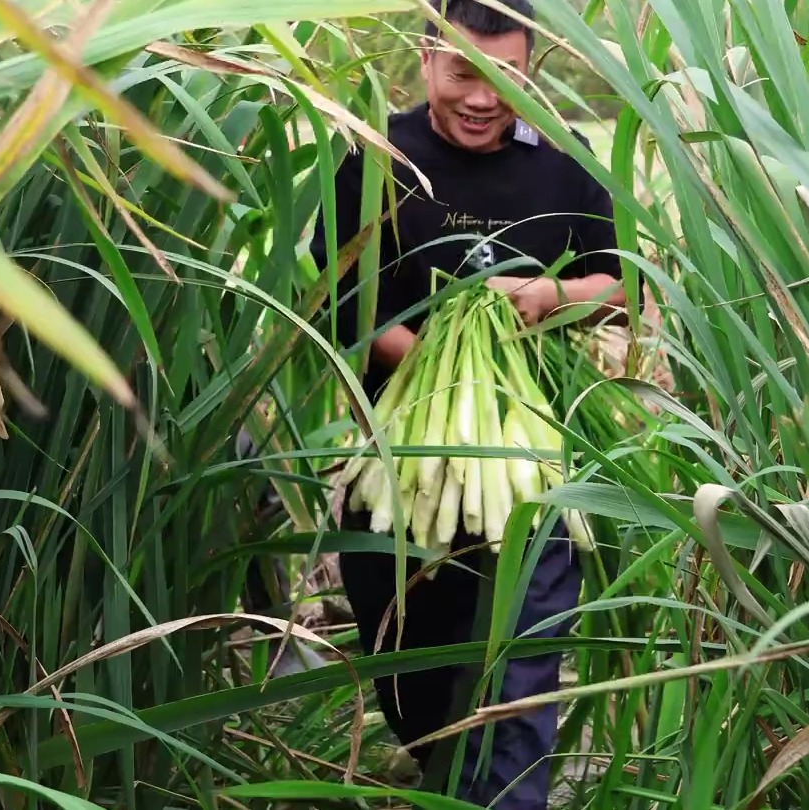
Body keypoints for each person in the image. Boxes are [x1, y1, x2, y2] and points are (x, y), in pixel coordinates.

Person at [310, 1, 631, 806]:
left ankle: (507, 794)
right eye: (464, 73)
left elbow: (619, 286)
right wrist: (433, 364)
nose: (483, 97)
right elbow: (332, 296)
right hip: (403, 457)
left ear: (528, 69)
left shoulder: (566, 160)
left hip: (532, 464)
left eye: (505, 77)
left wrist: (551, 295)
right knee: (414, 667)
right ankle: (441, 769)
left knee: (523, 653)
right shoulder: (373, 154)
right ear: (426, 61)